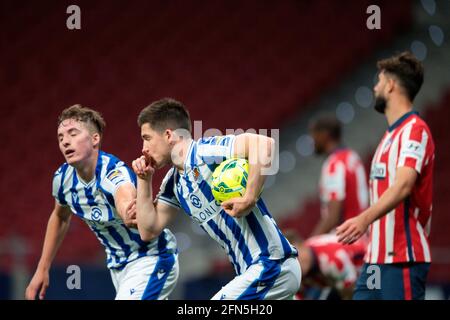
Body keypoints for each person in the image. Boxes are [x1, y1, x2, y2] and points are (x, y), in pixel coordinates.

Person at [132, 98, 301, 300]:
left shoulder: (205, 152)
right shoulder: (173, 184)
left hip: (272, 264)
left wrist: (249, 197)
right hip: (252, 272)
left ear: (168, 135)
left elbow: (264, 143)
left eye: (147, 138)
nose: (143, 148)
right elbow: (148, 230)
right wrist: (144, 180)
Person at [25, 105, 178, 300]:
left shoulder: (112, 172)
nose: (65, 141)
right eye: (61, 137)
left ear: (95, 139)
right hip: (118, 267)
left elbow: (124, 196)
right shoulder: (62, 179)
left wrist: (128, 211)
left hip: (151, 257)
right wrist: (42, 268)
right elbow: (60, 216)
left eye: (73, 134)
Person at [336, 51, 435, 300]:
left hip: (402, 258)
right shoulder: (389, 137)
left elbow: (403, 187)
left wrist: (363, 219)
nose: (375, 87)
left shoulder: (415, 130)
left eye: (379, 81)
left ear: (391, 85)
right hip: (375, 261)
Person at [309, 115, 369, 236]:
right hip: (363, 234)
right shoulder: (353, 156)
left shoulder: (334, 164)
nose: (312, 140)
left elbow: (333, 217)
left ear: (325, 134)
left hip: (347, 239)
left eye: (314, 134)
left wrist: (309, 244)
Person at [285, 230, 367, 300]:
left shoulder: (331, 260)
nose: (297, 263)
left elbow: (353, 291)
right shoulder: (307, 257)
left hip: (369, 268)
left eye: (296, 257)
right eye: (290, 262)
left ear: (302, 245)